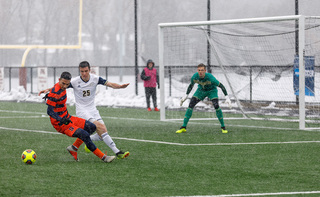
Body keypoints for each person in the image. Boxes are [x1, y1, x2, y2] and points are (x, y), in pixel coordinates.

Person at [39, 61, 130, 160]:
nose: (84, 73)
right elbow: (58, 87)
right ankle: (115, 153)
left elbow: (110, 84)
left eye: (86, 71)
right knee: (99, 127)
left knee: (99, 133)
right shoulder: (74, 82)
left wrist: (120, 87)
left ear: (89, 70)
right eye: (82, 71)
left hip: (92, 109)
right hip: (81, 111)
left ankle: (78, 145)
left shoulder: (95, 79)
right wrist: (48, 90)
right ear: (79, 71)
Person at [45, 71, 115, 163]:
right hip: (60, 124)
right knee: (85, 135)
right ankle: (103, 157)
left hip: (67, 118)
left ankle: (74, 148)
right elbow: (49, 111)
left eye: (67, 84)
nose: (65, 86)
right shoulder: (55, 92)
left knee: (91, 127)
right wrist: (60, 119)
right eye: (63, 84)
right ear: (59, 80)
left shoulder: (61, 87)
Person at [176, 63, 231, 134]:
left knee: (216, 105)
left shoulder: (211, 78)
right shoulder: (195, 77)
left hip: (212, 91)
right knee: (191, 104)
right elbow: (191, 85)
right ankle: (183, 127)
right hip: (201, 91)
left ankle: (223, 127)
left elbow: (221, 86)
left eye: (202, 70)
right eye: (199, 70)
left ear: (205, 71)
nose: (200, 72)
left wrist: (227, 98)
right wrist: (186, 95)